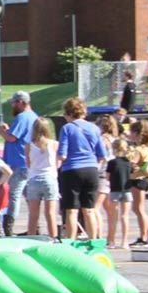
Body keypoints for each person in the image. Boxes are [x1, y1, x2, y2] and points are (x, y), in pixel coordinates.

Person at [56, 98, 107, 241]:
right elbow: (102, 155)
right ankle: (93, 240)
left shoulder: (67, 128)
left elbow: (62, 154)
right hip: (91, 169)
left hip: (72, 170)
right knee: (89, 209)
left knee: (71, 210)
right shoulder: (94, 128)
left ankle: (71, 242)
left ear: (68, 113)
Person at [0, 91, 37, 236]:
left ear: (21, 102)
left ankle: (8, 227)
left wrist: (0, 131)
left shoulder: (22, 117)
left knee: (14, 195)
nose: (12, 105)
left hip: (17, 161)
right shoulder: (34, 117)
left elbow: (12, 138)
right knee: (29, 196)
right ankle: (35, 227)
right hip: (28, 162)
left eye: (14, 103)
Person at [23, 116, 60, 238]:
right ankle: (53, 238)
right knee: (50, 213)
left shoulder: (29, 146)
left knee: (33, 214)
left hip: (34, 178)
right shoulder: (54, 144)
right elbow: (58, 163)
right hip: (49, 178)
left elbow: (28, 163)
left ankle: (31, 237)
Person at [127, 120, 148, 246]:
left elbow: (132, 163)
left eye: (132, 132)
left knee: (138, 209)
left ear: (137, 134)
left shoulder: (137, 150)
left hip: (137, 179)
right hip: (142, 179)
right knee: (138, 208)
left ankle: (144, 236)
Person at [105, 141, 133, 249]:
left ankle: (111, 241)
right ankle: (124, 241)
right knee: (125, 216)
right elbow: (131, 175)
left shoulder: (112, 162)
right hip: (127, 190)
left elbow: (107, 176)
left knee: (113, 216)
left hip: (115, 190)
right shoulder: (128, 162)